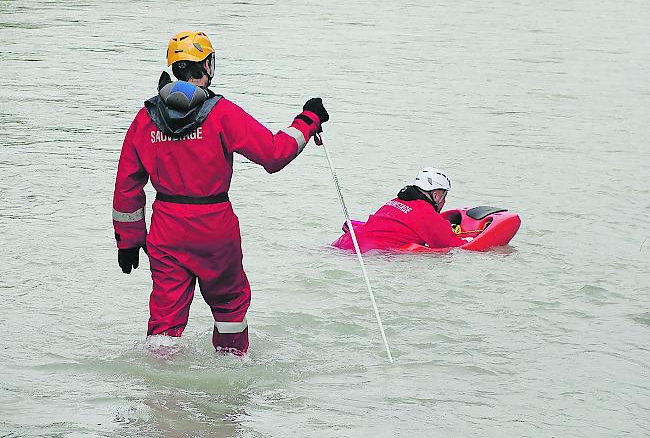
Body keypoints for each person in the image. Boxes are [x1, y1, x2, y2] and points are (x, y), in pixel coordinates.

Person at [112, 30, 329, 356]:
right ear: (207, 65)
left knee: (165, 315)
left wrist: (128, 241)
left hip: (166, 227)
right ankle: (230, 376)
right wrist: (308, 120)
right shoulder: (221, 113)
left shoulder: (145, 118)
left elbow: (127, 186)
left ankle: (159, 396)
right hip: (214, 226)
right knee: (230, 304)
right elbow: (274, 154)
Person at [331, 167, 464, 253]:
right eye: (444, 195)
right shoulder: (426, 214)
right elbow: (453, 246)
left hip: (342, 243)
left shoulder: (395, 202)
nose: (444, 201)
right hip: (365, 254)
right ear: (436, 195)